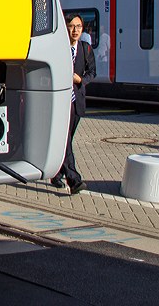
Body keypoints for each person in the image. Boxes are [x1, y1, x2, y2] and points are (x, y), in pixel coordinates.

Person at [51, 13, 96, 194]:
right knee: (65, 140)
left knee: (67, 139)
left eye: (78, 26)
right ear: (66, 28)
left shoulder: (85, 49)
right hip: (61, 101)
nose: (75, 30)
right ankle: (74, 180)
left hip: (76, 101)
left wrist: (80, 80)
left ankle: (56, 173)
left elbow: (92, 73)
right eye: (71, 26)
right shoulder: (58, 48)